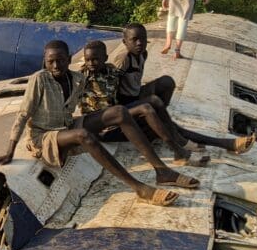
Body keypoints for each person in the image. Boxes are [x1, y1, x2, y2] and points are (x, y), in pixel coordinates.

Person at [0, 40, 189, 206]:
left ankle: (161, 170)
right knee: (83, 135)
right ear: (45, 62)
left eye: (60, 61)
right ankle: (140, 188)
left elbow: (100, 93)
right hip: (44, 137)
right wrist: (9, 151)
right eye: (50, 62)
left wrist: (107, 118)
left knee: (118, 112)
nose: (56, 66)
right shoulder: (39, 80)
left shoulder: (77, 79)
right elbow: (23, 115)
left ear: (69, 59)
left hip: (66, 126)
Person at [109, 25, 256, 154]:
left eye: (142, 38)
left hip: (135, 95)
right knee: (167, 122)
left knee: (166, 82)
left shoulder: (142, 54)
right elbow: (111, 89)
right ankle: (226, 144)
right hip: (124, 103)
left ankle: (160, 114)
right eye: (134, 39)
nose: (139, 43)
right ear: (125, 42)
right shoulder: (123, 59)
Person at [79, 40, 208, 167]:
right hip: (103, 127)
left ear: (105, 58)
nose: (91, 63)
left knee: (155, 102)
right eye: (88, 59)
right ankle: (179, 151)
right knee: (146, 109)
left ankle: (177, 139)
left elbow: (127, 85)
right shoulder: (81, 77)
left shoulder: (111, 71)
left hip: (119, 117)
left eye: (95, 59)